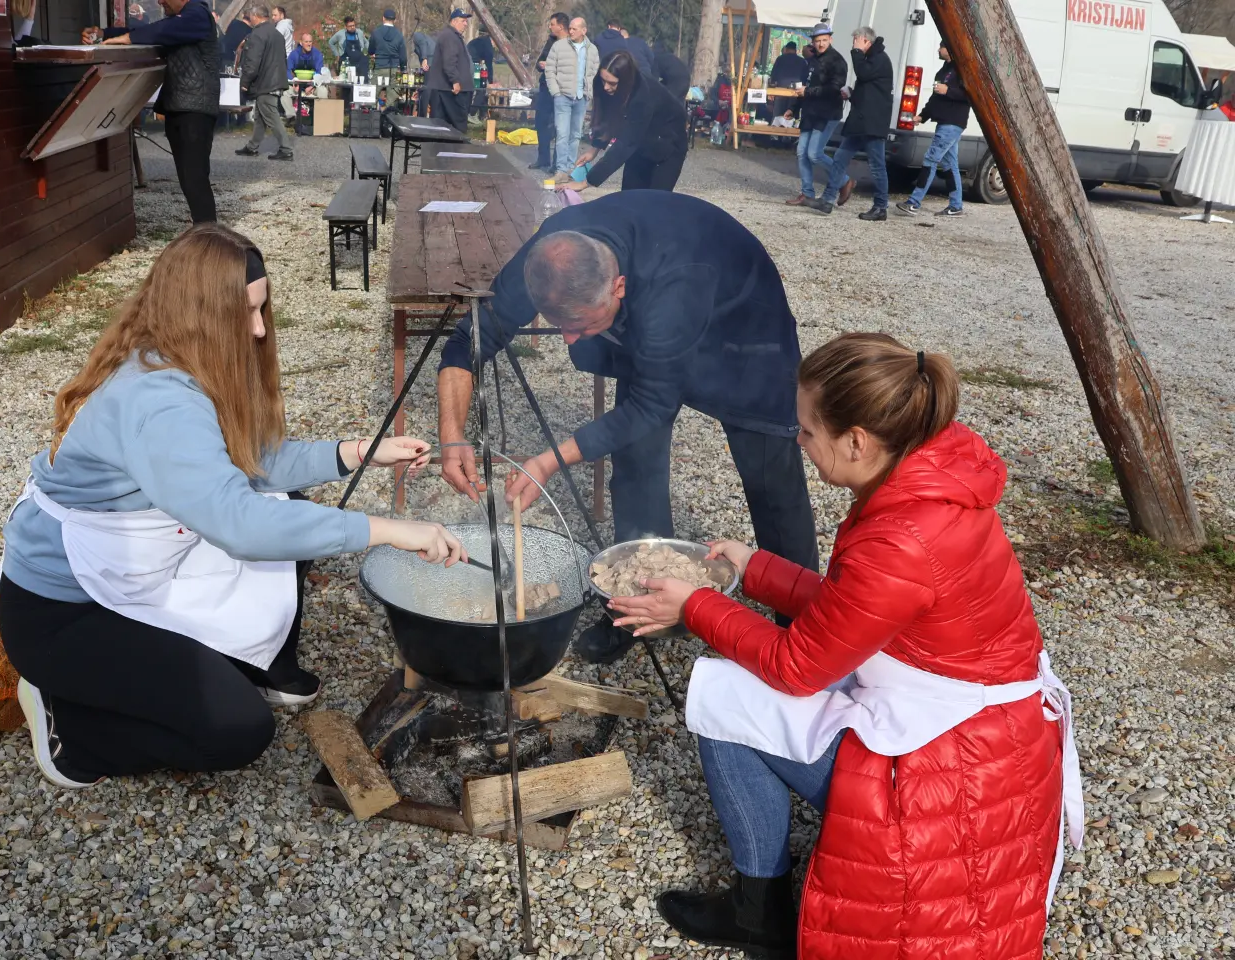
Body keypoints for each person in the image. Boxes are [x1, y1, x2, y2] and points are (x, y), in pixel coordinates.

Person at [611, 332, 1081, 960]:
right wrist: (755, 570)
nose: (797, 441)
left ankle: (758, 912)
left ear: (857, 440)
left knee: (722, 692)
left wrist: (694, 605)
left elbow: (797, 666)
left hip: (951, 771)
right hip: (988, 730)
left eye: (807, 430)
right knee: (739, 669)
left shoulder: (900, 538)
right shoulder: (929, 474)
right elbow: (855, 608)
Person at [0, 224, 468, 789]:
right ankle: (69, 724)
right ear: (201, 313)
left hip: (138, 570)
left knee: (286, 503)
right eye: (246, 312)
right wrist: (390, 529)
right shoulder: (158, 401)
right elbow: (240, 526)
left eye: (262, 308)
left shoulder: (178, 356)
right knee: (236, 731)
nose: (258, 328)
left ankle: (261, 663)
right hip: (70, 613)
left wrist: (358, 452)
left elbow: (247, 460)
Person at [436, 193, 819, 664]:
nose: (570, 340)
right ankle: (641, 606)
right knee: (635, 466)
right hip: (650, 329)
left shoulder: (677, 281)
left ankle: (806, 633)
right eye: (559, 325)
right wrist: (452, 435)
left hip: (744, 339)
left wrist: (547, 460)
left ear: (618, 287)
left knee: (773, 489)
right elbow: (467, 340)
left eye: (579, 325)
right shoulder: (551, 259)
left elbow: (652, 404)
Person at [84, 0, 220, 224]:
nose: (159, 1)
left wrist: (126, 39)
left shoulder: (197, 13)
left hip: (195, 109)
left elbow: (162, 30)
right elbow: (148, 29)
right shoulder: (182, 18)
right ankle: (204, 232)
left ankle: (208, 235)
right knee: (189, 178)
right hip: (181, 106)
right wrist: (105, 33)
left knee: (194, 178)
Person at [574, 49, 687, 192]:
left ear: (627, 81)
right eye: (603, 80)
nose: (606, 87)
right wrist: (594, 148)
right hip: (641, 144)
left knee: (655, 204)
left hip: (668, 146)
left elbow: (625, 144)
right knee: (629, 199)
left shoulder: (643, 96)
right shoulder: (608, 87)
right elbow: (607, 115)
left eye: (612, 83)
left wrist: (587, 182)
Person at [812, 26, 893, 220]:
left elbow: (863, 74)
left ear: (866, 41)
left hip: (872, 123)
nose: (853, 44)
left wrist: (856, 53)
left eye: (856, 40)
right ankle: (828, 199)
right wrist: (852, 94)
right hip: (860, 121)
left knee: (877, 166)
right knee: (840, 158)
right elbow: (869, 91)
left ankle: (881, 207)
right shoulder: (871, 59)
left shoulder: (880, 59)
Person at [896, 40, 968, 217]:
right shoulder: (943, 71)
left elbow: (970, 95)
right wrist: (922, 116)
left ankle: (914, 202)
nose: (938, 49)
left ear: (950, 49)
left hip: (953, 122)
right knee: (950, 163)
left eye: (942, 46)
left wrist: (948, 90)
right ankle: (956, 205)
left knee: (930, 159)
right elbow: (935, 98)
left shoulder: (963, 70)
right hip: (944, 122)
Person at [785, 23, 847, 209]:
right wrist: (794, 109)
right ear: (813, 42)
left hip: (828, 113)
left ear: (830, 39)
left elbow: (835, 88)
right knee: (801, 152)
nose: (821, 44)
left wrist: (809, 91)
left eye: (824, 40)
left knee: (814, 154)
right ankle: (807, 193)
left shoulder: (837, 61)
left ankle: (844, 180)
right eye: (818, 41)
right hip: (810, 113)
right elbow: (802, 87)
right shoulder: (811, 61)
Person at [235, 4, 292, 162]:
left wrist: (245, 81)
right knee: (260, 117)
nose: (250, 20)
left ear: (255, 16)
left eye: (251, 17)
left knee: (271, 116)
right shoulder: (277, 34)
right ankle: (252, 147)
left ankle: (286, 149)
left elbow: (252, 62)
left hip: (266, 83)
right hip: (276, 79)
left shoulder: (257, 34)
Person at [546, 16, 599, 181]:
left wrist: (589, 92)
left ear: (584, 30)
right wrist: (555, 91)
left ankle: (570, 169)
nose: (570, 31)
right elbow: (549, 70)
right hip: (563, 96)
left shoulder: (592, 50)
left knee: (575, 134)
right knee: (562, 133)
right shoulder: (559, 46)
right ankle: (561, 170)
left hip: (581, 97)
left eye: (574, 29)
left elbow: (594, 72)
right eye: (570, 28)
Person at [530, 13, 570, 173]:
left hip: (561, 89)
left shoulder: (571, 44)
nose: (549, 26)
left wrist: (551, 65)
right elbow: (540, 63)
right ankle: (543, 157)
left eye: (552, 24)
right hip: (546, 87)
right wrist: (542, 65)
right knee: (541, 122)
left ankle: (557, 163)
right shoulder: (551, 41)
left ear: (561, 26)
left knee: (559, 126)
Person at [427, 9, 474, 129]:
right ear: (454, 21)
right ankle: (454, 147)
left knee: (445, 126)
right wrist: (455, 81)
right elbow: (449, 61)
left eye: (466, 21)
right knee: (456, 126)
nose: (466, 24)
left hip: (448, 89)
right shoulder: (449, 36)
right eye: (463, 21)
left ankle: (447, 147)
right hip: (449, 90)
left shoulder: (454, 36)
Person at [368, 8, 407, 84]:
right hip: (394, 70)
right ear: (394, 20)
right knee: (393, 94)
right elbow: (403, 57)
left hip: (380, 67)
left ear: (383, 18)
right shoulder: (399, 35)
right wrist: (403, 70)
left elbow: (370, 51)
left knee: (373, 93)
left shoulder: (376, 32)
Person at [412, 28, 437, 116]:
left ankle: (422, 114)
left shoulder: (417, 35)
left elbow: (423, 45)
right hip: (435, 65)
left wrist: (424, 58)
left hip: (429, 63)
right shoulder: (430, 40)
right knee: (431, 90)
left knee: (426, 89)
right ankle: (432, 114)